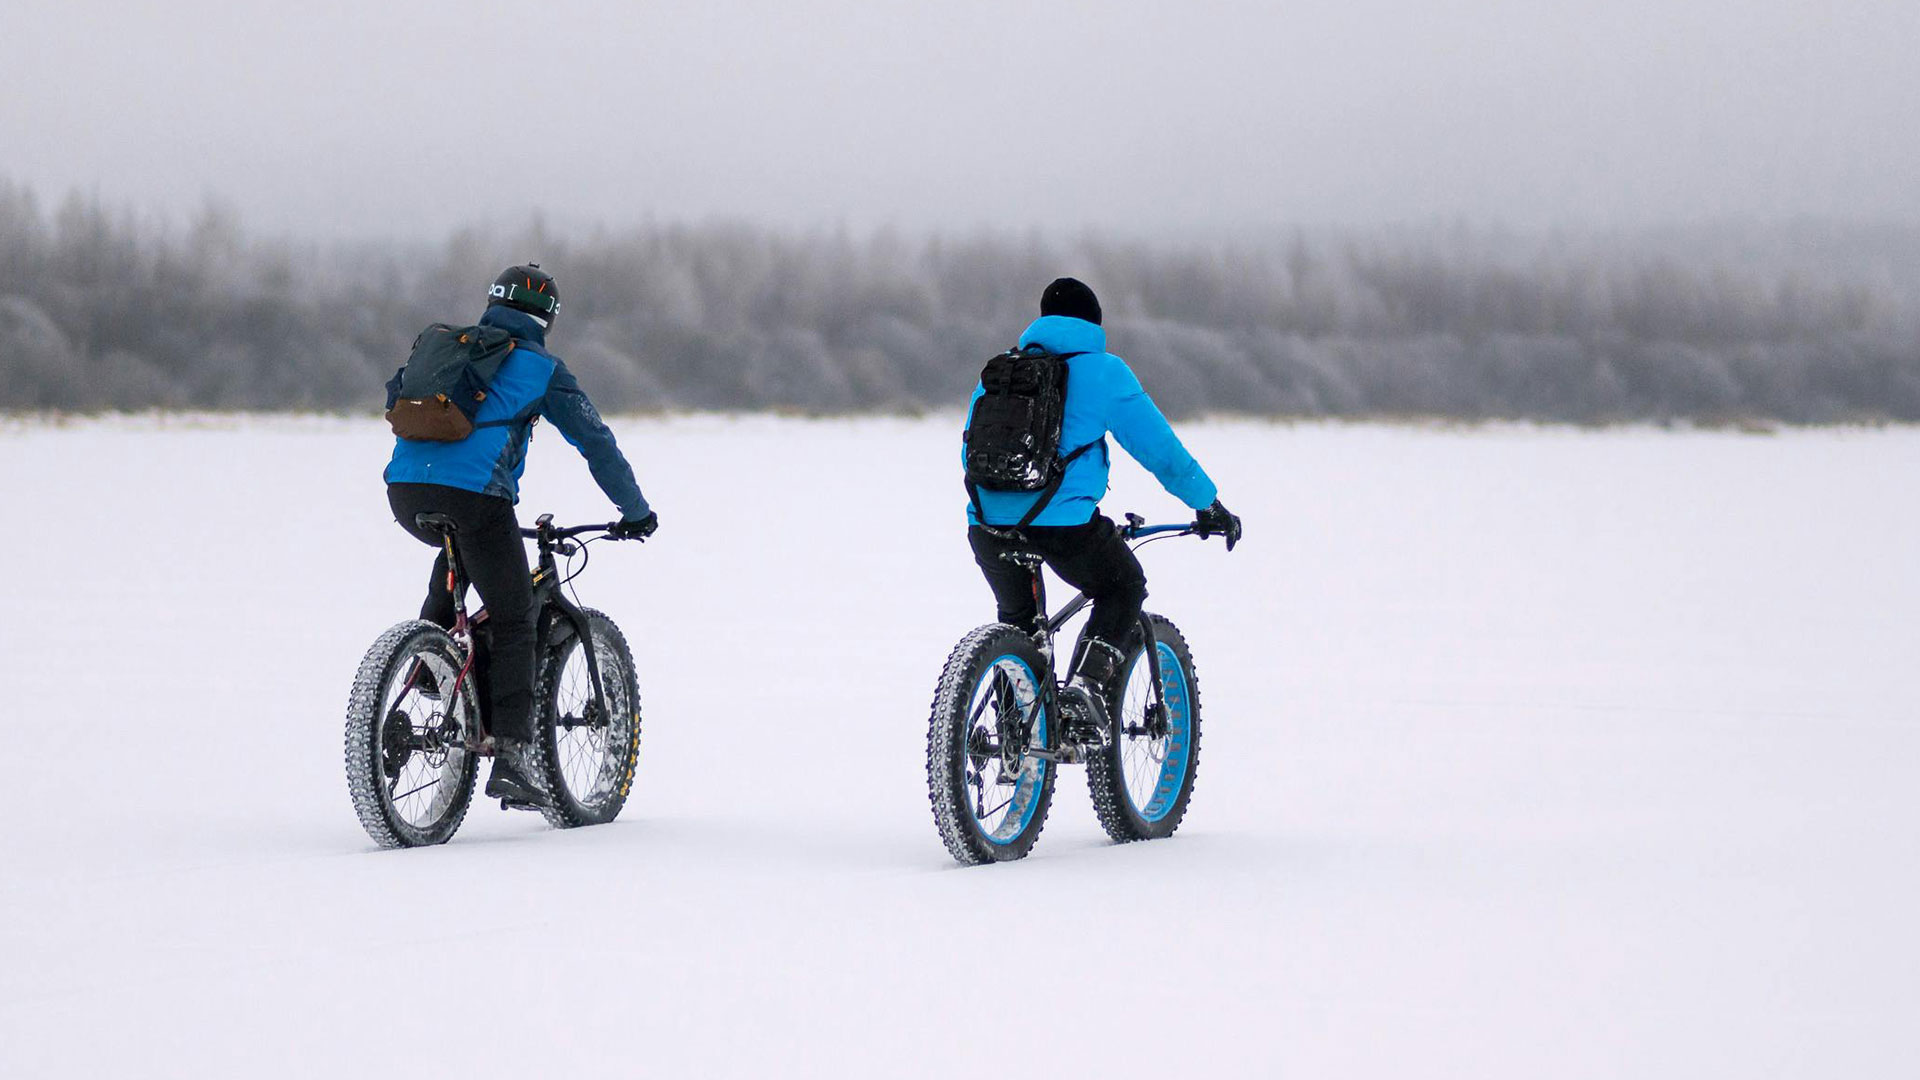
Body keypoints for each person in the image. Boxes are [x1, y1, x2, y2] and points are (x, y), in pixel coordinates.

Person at [384, 263, 657, 806]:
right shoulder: (540, 367)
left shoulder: (452, 349)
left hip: (405, 493)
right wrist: (635, 510)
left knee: (456, 564)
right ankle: (511, 756)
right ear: (548, 318)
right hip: (478, 499)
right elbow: (595, 441)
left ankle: (425, 672)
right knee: (514, 614)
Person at [965, 277, 1241, 738]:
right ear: (1093, 323)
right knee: (1122, 585)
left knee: (1020, 623)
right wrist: (1208, 503)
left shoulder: (1000, 374)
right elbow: (1162, 453)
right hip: (1064, 528)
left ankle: (1015, 727)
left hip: (988, 527)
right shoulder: (1104, 372)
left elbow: (970, 451)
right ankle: (1086, 689)